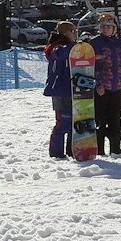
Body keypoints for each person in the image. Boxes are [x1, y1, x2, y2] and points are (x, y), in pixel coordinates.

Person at [89, 15, 121, 155]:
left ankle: (115, 148)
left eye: (109, 26)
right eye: (103, 26)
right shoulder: (94, 43)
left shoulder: (119, 43)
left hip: (117, 85)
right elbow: (91, 65)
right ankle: (99, 150)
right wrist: (97, 83)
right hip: (101, 86)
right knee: (100, 119)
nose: (106, 29)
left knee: (115, 118)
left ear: (114, 28)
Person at [42, 21, 79, 159]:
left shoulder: (73, 46)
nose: (74, 34)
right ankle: (56, 152)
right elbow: (60, 55)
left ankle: (71, 149)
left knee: (73, 122)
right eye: (72, 31)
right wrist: (70, 42)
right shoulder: (55, 47)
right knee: (62, 122)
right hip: (59, 90)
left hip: (72, 89)